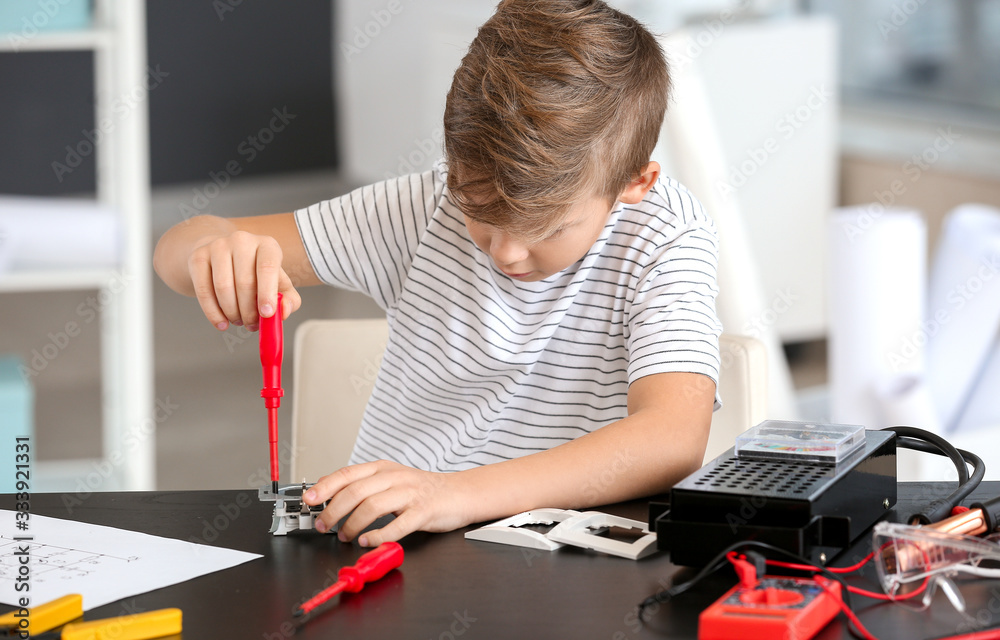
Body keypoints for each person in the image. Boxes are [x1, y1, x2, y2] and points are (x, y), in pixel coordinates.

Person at [154, 0, 721, 547]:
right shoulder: (424, 209)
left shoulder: (665, 236)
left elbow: (671, 438)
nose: (504, 252)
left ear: (634, 184)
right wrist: (212, 252)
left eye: (547, 230)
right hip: (395, 548)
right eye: (479, 210)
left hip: (563, 560)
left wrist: (453, 494)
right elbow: (182, 245)